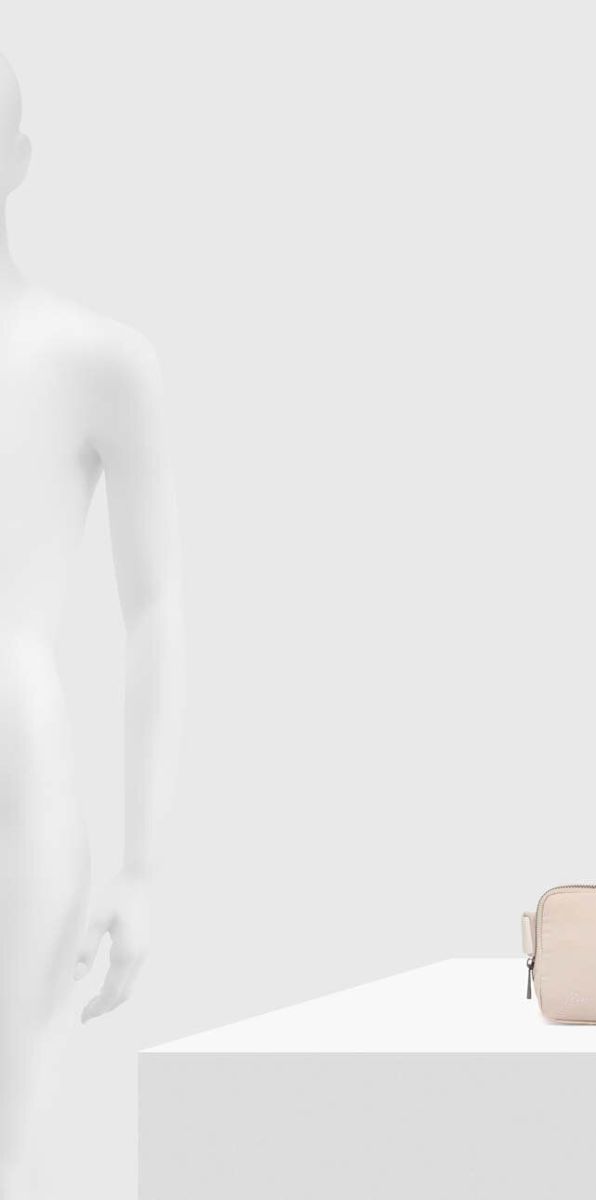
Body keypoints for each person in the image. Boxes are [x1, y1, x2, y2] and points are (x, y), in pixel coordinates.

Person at [0, 54, 184, 1198]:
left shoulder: (96, 361)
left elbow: (155, 611)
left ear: (13, 160)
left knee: (7, 1138)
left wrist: (143, 868)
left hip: (19, 784)